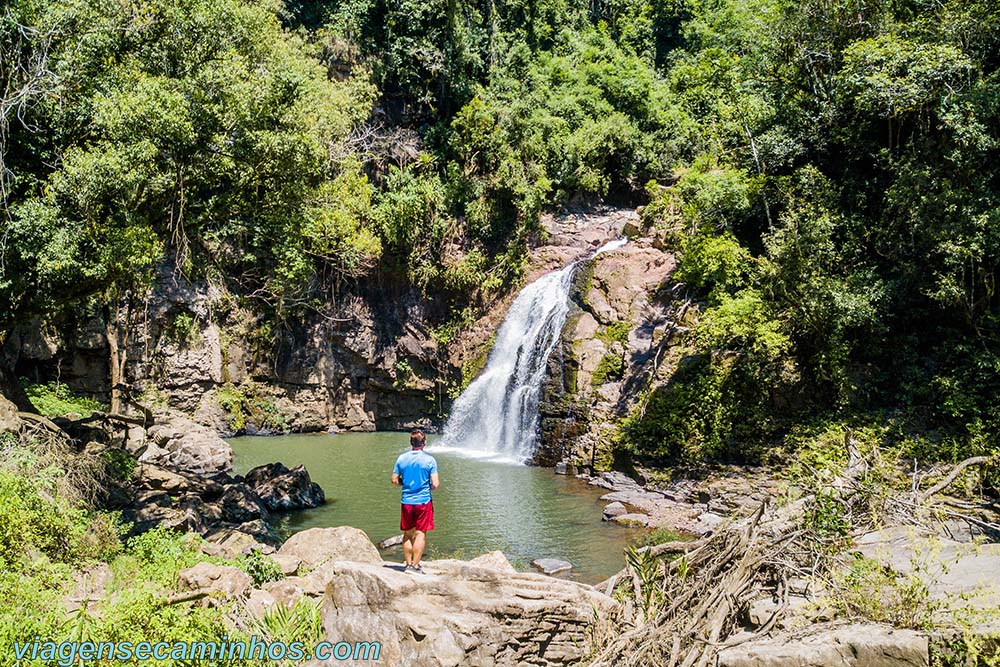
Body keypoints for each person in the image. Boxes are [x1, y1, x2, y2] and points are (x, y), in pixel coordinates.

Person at [391, 429, 439, 573]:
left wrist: (404, 484)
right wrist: (426, 486)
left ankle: (408, 564)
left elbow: (394, 480)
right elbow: (435, 484)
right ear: (424, 442)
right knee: (420, 534)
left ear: (411, 442)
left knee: (407, 534)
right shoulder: (430, 460)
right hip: (423, 502)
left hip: (407, 501)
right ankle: (416, 566)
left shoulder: (401, 459)